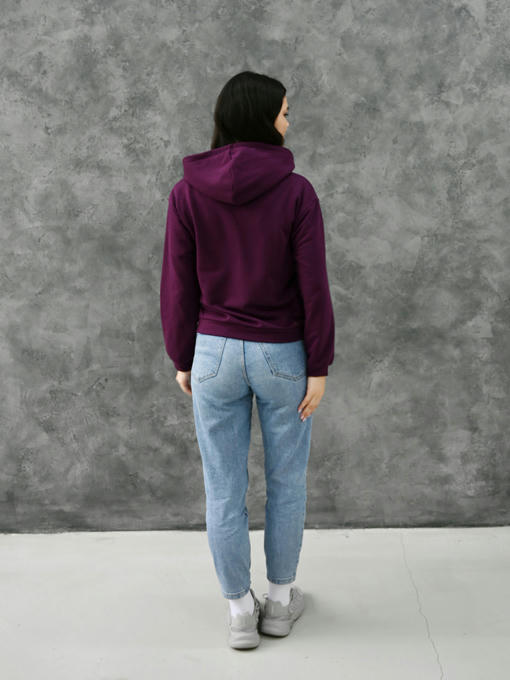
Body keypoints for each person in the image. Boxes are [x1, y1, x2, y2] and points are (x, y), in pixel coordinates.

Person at [160, 71, 335, 649]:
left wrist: (182, 354)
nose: (289, 121)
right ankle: (279, 603)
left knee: (222, 487)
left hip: (212, 352)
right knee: (286, 482)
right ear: (263, 119)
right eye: (284, 112)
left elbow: (178, 285)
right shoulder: (297, 192)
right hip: (282, 354)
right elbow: (313, 285)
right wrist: (319, 365)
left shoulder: (186, 193)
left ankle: (239, 611)